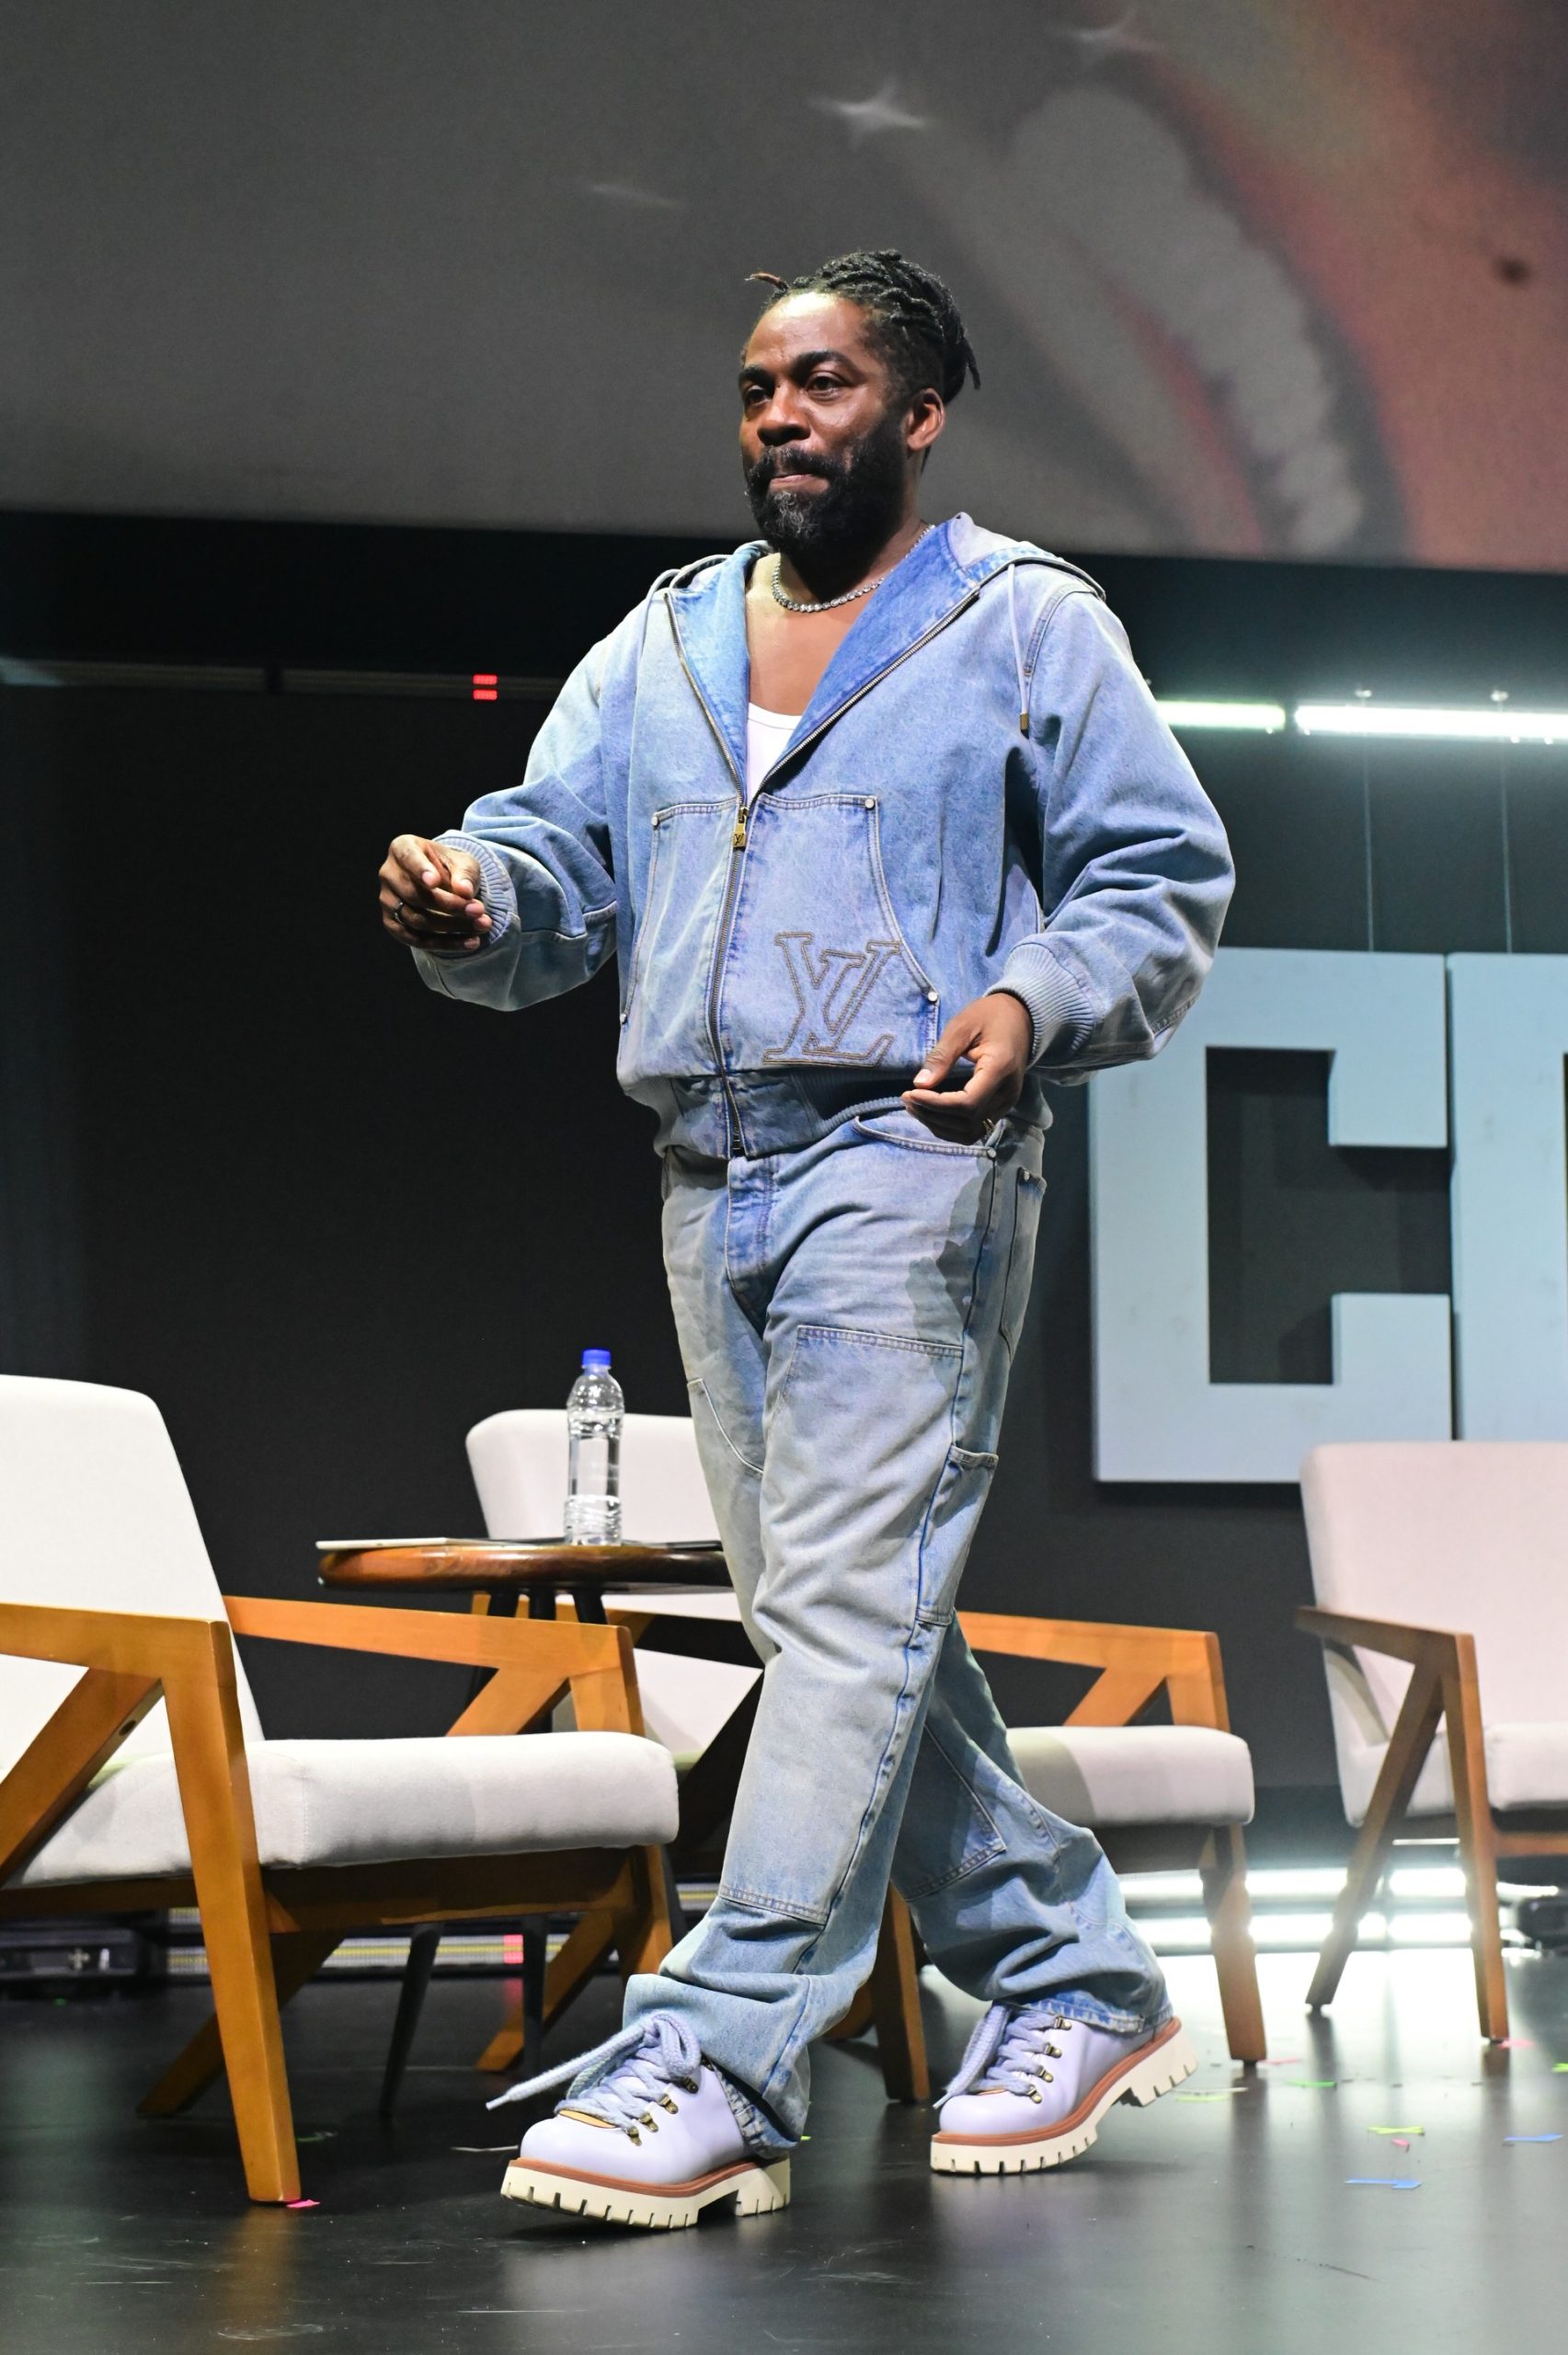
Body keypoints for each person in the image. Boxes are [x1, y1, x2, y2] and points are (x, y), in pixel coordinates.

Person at [378, 248, 1233, 2231]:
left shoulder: (1019, 625)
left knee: (844, 1613)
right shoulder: (664, 642)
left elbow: (1155, 868)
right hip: (715, 1164)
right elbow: (556, 860)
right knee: (840, 1627)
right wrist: (472, 899)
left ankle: (725, 2039)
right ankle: (1073, 1971)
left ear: (917, 415)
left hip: (912, 1153)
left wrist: (1030, 1000)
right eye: (761, 382)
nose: (781, 414)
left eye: (828, 382)